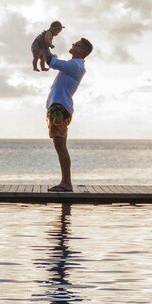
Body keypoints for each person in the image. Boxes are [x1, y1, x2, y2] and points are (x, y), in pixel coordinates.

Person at [41, 37, 93, 192]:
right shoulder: (74, 65)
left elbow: (52, 61)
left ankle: (66, 183)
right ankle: (65, 182)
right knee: (60, 145)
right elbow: (53, 60)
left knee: (60, 146)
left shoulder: (75, 66)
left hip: (60, 107)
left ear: (82, 50)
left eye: (76, 44)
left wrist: (43, 46)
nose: (73, 45)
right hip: (60, 107)